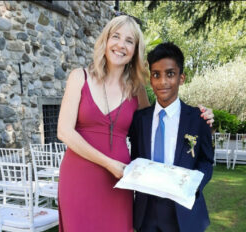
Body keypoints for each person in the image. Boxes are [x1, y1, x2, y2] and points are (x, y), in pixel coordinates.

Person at [57, 15, 214, 232]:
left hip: (120, 183)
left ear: (135, 50)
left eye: (129, 41)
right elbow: (64, 131)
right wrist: (108, 163)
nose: (121, 45)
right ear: (105, 40)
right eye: (116, 36)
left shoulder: (136, 90)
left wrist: (202, 116)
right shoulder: (79, 77)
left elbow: (159, 121)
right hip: (80, 177)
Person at [128, 42, 214, 232]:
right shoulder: (139, 120)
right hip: (146, 213)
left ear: (181, 78)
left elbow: (207, 161)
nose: (162, 82)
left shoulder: (198, 119)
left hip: (184, 213)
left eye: (170, 74)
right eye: (156, 75)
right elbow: (135, 158)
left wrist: (192, 186)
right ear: (150, 79)